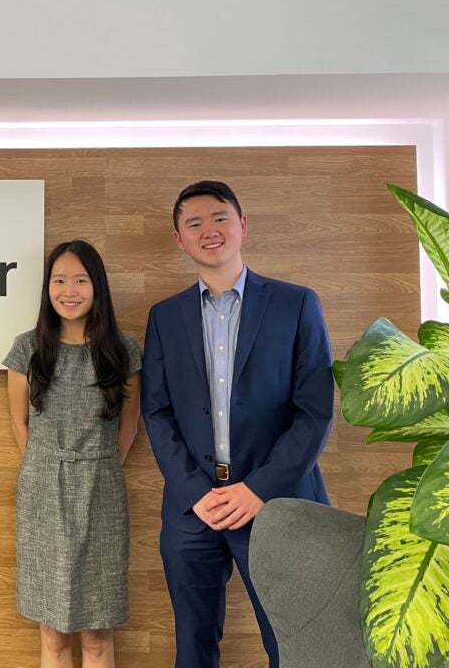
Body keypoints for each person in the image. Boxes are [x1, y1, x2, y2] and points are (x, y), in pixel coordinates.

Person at [141, 180, 334, 668]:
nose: (210, 230)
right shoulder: (165, 317)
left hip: (277, 502)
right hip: (193, 510)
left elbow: (314, 412)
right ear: (179, 240)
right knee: (193, 647)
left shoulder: (296, 304)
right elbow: (158, 411)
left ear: (243, 226)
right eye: (194, 223)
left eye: (220, 217)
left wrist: (257, 490)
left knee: (294, 644)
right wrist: (195, 492)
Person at [3, 239, 142, 668]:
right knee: (53, 632)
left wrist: (94, 467)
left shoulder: (123, 350)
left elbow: (128, 426)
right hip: (43, 492)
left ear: (97, 286)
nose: (69, 290)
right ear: (47, 288)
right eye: (59, 280)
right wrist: (50, 466)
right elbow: (20, 424)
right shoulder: (28, 348)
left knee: (99, 633)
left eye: (80, 280)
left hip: (102, 489)